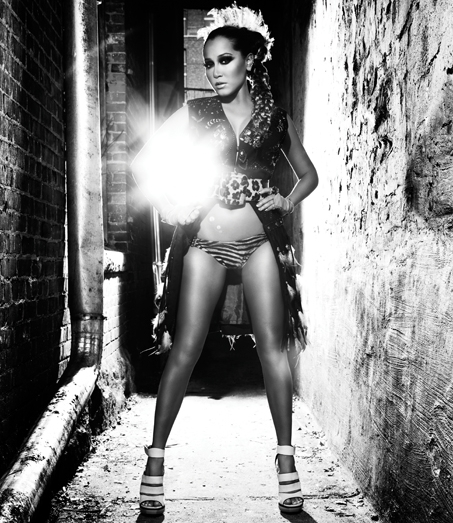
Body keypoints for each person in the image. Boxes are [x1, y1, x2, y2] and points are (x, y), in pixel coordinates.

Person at [131, 3, 318, 517]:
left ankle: (286, 461)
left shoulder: (275, 117)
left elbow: (308, 175)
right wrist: (169, 205)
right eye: (209, 63)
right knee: (185, 350)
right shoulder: (196, 113)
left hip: (260, 246)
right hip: (205, 245)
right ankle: (155, 460)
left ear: (250, 59)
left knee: (273, 351)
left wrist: (286, 201)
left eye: (225, 60)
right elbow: (144, 162)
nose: (214, 72)